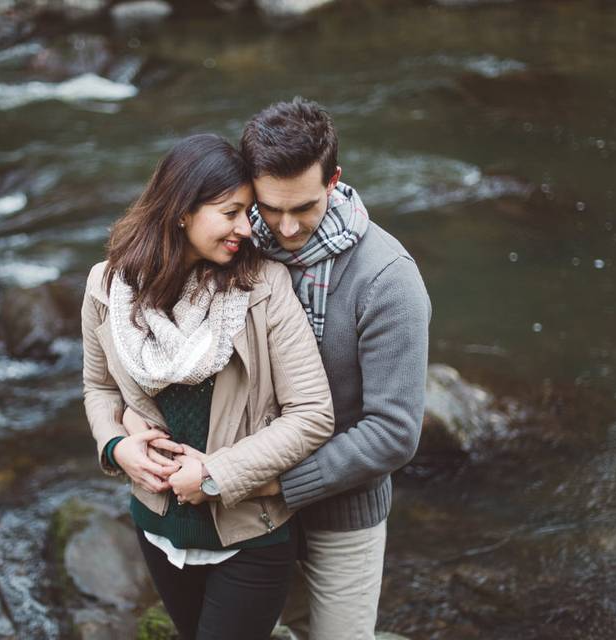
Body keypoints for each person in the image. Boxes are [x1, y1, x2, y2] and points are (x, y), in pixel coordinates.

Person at [81, 133, 335, 640]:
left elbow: (312, 414)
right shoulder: (107, 286)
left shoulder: (263, 287)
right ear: (181, 212)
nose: (247, 227)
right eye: (230, 212)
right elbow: (99, 386)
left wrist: (216, 474)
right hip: (156, 527)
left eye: (247, 211)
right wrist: (115, 446)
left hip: (251, 534)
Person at [240, 97, 432, 640]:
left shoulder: (387, 279)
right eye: (270, 207)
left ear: (334, 180)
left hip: (343, 512)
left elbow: (394, 432)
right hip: (249, 508)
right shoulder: (239, 245)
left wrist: (281, 484)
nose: (285, 226)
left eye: (302, 206)